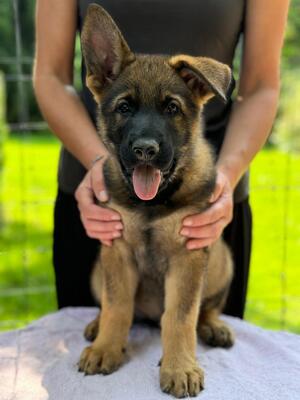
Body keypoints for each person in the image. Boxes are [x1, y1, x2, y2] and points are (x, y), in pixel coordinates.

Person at [33, 0, 289, 318]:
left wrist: (225, 175)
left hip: (207, 207)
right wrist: (100, 164)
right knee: (94, 351)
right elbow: (50, 76)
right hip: (97, 204)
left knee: (205, 352)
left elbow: (260, 87)